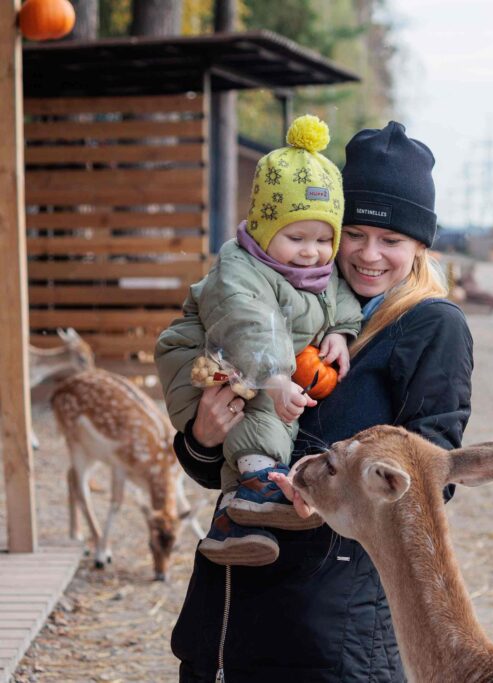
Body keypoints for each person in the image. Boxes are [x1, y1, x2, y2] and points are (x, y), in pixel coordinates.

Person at [166, 121, 473, 683]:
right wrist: (203, 436)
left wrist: (328, 492)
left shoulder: (430, 326)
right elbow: (210, 465)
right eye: (353, 233)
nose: (368, 255)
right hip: (228, 605)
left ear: (420, 247)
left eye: (392, 240)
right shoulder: (276, 300)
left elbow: (434, 479)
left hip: (331, 621)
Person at [157, 115, 363, 568]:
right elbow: (247, 325)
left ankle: (235, 528)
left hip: (257, 368)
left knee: (270, 405)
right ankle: (256, 485)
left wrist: (341, 333)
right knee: (266, 406)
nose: (311, 250)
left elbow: (341, 298)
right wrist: (275, 378)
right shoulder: (241, 270)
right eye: (296, 237)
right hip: (203, 360)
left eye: (324, 238)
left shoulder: (315, 272)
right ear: (266, 229)